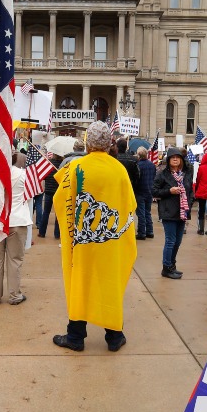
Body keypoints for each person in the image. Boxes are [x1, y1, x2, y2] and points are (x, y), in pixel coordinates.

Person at [52, 121, 136, 352]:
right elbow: (130, 204)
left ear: (88, 143)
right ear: (109, 143)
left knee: (81, 282)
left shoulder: (77, 167)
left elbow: (60, 200)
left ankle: (76, 337)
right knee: (109, 283)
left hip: (82, 241)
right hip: (110, 242)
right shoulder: (119, 169)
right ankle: (114, 336)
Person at [0, 151, 34, 305]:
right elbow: (33, 192)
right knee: (14, 260)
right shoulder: (23, 174)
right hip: (17, 219)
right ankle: (14, 295)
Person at [153, 147, 194, 279]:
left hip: (182, 212)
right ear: (169, 159)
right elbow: (153, 191)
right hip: (168, 211)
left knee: (178, 241)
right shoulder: (162, 174)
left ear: (181, 160)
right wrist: (169, 191)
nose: (175, 159)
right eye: (172, 157)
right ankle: (166, 268)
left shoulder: (186, 174)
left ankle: (172, 265)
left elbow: (191, 191)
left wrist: (190, 202)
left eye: (178, 157)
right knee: (170, 241)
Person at [37, 149, 62, 238]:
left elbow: (43, 176)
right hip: (58, 192)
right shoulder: (62, 165)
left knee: (46, 212)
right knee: (58, 214)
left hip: (48, 191)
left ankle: (42, 232)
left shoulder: (49, 164)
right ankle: (57, 234)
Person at [134, 147, 156, 240]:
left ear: (138, 155)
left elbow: (136, 179)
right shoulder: (152, 165)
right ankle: (150, 231)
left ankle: (142, 232)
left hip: (140, 191)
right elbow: (154, 177)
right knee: (147, 212)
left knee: (141, 214)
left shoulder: (138, 165)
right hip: (149, 191)